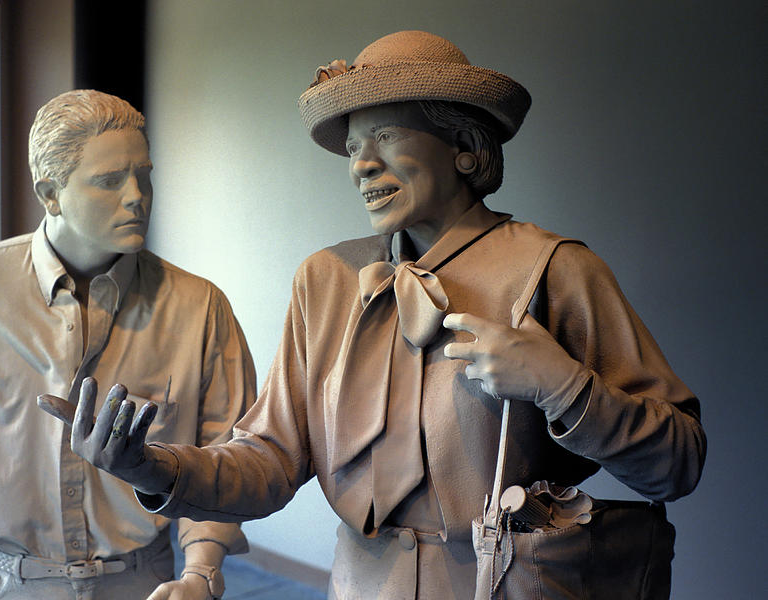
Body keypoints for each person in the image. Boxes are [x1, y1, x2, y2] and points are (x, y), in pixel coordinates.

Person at [46, 33, 706, 599]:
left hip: (509, 584)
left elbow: (677, 464)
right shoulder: (324, 280)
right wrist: (152, 469)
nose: (361, 164)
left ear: (465, 147)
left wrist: (562, 386)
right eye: (354, 146)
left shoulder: (555, 269)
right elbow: (270, 459)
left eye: (385, 136)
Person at [0, 89, 256, 600]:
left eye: (144, 175)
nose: (136, 196)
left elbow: (224, 458)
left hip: (142, 582)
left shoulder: (199, 307)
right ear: (50, 194)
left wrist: (201, 573)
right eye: (109, 181)